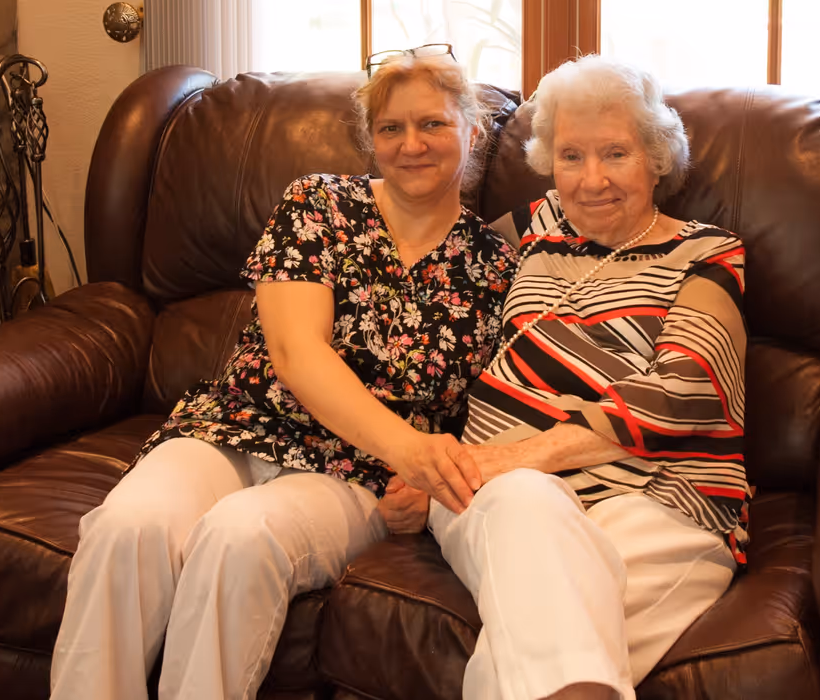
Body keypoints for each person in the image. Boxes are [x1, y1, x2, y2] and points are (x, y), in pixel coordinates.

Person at [50, 46, 518, 700]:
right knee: (130, 527)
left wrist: (434, 478)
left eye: (432, 124)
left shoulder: (498, 269)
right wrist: (414, 452)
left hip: (354, 473)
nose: (411, 144)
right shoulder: (317, 204)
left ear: (470, 132)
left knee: (241, 538)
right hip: (235, 428)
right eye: (390, 128)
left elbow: (502, 403)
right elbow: (299, 356)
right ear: (370, 139)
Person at [385, 54, 750, 700]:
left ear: (657, 158)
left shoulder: (707, 254)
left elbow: (682, 394)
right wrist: (416, 450)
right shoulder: (529, 230)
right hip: (491, 495)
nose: (592, 181)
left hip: (656, 499)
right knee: (528, 507)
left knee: (521, 651)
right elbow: (432, 320)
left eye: (615, 154)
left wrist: (503, 461)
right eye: (572, 156)